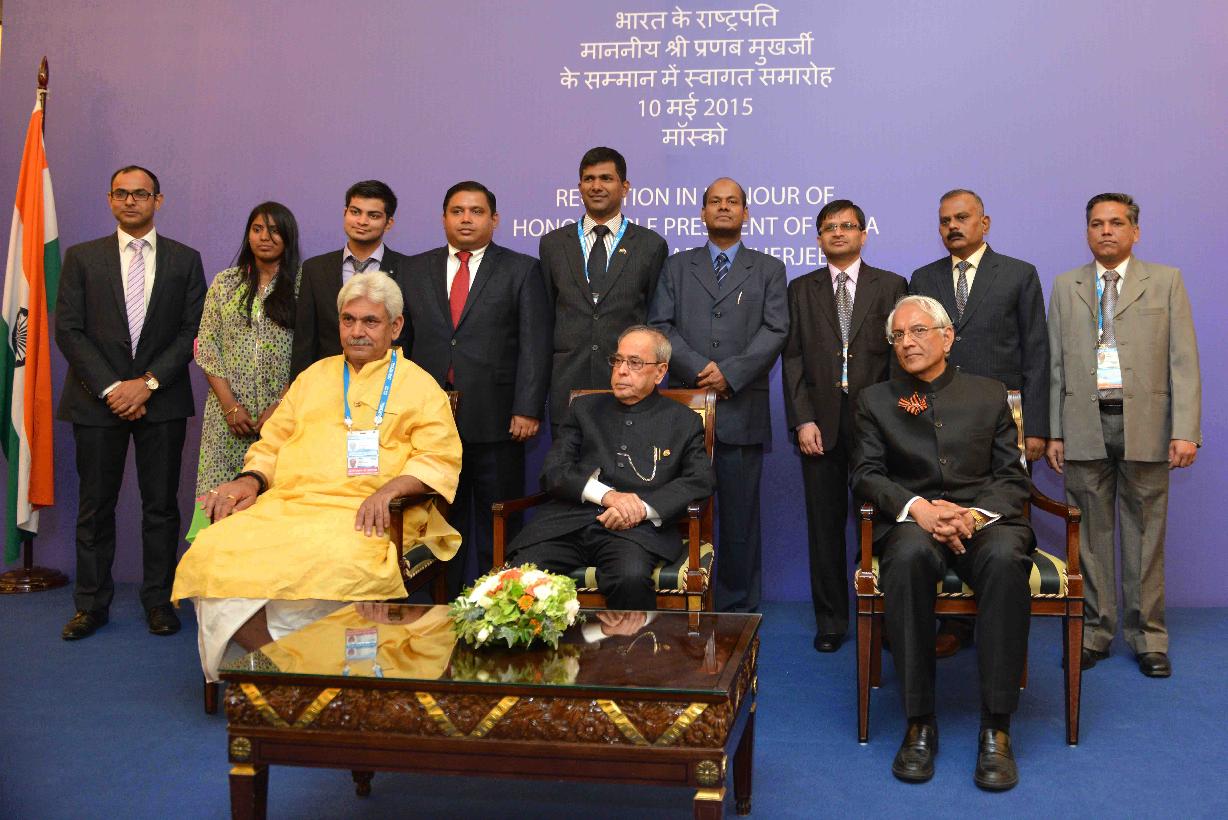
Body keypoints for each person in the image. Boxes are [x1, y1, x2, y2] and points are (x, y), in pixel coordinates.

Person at [171, 271, 462, 682]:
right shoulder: (312, 378)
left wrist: (390, 490)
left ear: (395, 326)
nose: (357, 331)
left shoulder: (420, 385)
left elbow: (438, 457)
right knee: (214, 547)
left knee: (340, 558)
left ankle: (319, 668)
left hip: (372, 514)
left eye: (370, 321)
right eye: (348, 320)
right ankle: (294, 666)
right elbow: (271, 444)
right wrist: (249, 480)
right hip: (290, 506)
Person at [851, 295, 1033, 791]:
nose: (907, 343)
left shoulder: (989, 393)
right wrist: (920, 509)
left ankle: (997, 727)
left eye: (918, 331)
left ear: (947, 337)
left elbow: (1011, 477)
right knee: (908, 556)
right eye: (898, 336)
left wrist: (970, 516)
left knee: (1005, 559)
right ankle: (919, 722)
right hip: (914, 519)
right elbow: (866, 474)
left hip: (985, 519)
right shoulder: (875, 400)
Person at [1046, 193, 1200, 679]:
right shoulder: (1065, 285)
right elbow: (1054, 366)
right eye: (1096, 224)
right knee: (1090, 537)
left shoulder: (1166, 281)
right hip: (1083, 424)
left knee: (1145, 534)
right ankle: (1094, 632)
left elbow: (1183, 362)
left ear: (1136, 231)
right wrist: (1054, 431)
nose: (1106, 231)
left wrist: (1185, 430)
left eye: (1116, 223)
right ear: (1087, 232)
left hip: (1147, 425)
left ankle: (1148, 637)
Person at [55, 165, 206, 641]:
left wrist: (147, 384)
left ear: (158, 201)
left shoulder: (185, 260)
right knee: (95, 508)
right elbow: (69, 330)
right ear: (110, 199)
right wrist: (113, 389)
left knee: (160, 507)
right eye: (121, 193)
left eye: (140, 194)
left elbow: (192, 331)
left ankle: (159, 601)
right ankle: (90, 606)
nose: (130, 201)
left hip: (161, 402)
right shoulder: (82, 258)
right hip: (95, 402)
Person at [910, 189, 1049, 658]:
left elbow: (1037, 354)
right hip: (938, 421)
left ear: (984, 223)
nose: (953, 226)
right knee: (944, 508)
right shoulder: (924, 277)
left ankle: (996, 620)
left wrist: (1037, 428)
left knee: (996, 519)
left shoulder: (1018, 274)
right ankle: (953, 620)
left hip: (1002, 423)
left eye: (962, 217)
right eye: (945, 220)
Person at [401, 181, 551, 592]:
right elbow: (402, 346)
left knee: (496, 524)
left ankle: (495, 607)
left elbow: (534, 344)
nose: (466, 219)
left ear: (494, 219)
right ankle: (439, 611)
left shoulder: (521, 269)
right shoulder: (414, 270)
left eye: (476, 211)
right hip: (429, 424)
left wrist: (527, 408)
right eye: (457, 211)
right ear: (443, 218)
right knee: (436, 524)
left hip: (498, 420)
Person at [647, 177, 787, 612]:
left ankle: (735, 609)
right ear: (702, 212)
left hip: (741, 409)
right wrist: (697, 369)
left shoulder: (769, 268)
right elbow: (660, 325)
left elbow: (776, 329)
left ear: (746, 213)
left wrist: (730, 373)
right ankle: (685, 601)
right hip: (684, 412)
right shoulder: (676, 266)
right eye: (714, 201)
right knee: (677, 512)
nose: (723, 207)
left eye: (732, 202)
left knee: (740, 518)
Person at [506, 326, 715, 610]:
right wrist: (608, 496)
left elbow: (699, 479)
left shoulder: (683, 421)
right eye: (617, 360)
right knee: (522, 579)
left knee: (630, 578)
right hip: (567, 524)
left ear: (660, 372)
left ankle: (630, 641)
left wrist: (641, 508)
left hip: (635, 532)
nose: (622, 371)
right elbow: (553, 471)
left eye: (635, 362)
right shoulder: (584, 409)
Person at [781, 199, 907, 650]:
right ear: (818, 238)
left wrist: (894, 423)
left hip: (878, 428)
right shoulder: (801, 289)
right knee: (825, 528)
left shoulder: (892, 285)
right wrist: (802, 420)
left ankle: (886, 618)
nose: (838, 232)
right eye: (829, 227)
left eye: (847, 226)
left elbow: (900, 358)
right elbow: (792, 359)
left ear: (863, 234)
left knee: (885, 524)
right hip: (820, 427)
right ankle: (832, 621)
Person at [538, 147, 668, 430]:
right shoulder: (553, 245)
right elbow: (545, 318)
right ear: (580, 187)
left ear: (625, 187)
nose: (596, 186)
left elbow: (654, 319)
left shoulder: (650, 245)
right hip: (566, 385)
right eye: (589, 179)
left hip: (629, 386)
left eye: (606, 178)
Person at [195, 202, 302, 496]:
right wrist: (230, 407)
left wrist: (281, 406)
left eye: (274, 230)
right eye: (257, 229)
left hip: (285, 414)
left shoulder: (303, 286)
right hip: (227, 416)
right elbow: (207, 346)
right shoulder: (225, 283)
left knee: (275, 495)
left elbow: (308, 353)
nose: (264, 237)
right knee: (219, 500)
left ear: (288, 236)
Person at [291, 179, 408, 379]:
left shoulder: (408, 269)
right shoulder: (314, 270)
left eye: (373, 215)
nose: (362, 221)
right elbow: (304, 341)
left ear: (388, 223)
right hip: (327, 382)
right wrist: (299, 387)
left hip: (388, 384)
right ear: (345, 213)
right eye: (355, 212)